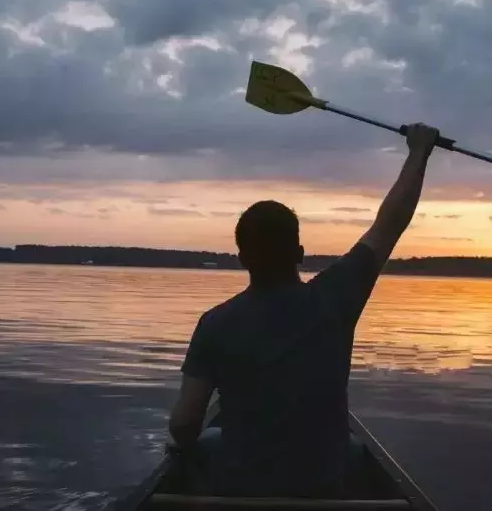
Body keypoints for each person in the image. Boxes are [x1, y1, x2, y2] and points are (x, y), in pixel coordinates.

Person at [168, 122, 440, 498]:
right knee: (357, 451)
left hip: (241, 488)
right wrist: (419, 151)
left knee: (205, 443)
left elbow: (185, 425)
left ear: (241, 258)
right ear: (299, 254)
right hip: (324, 484)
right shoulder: (337, 296)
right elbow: (389, 224)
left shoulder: (214, 324)